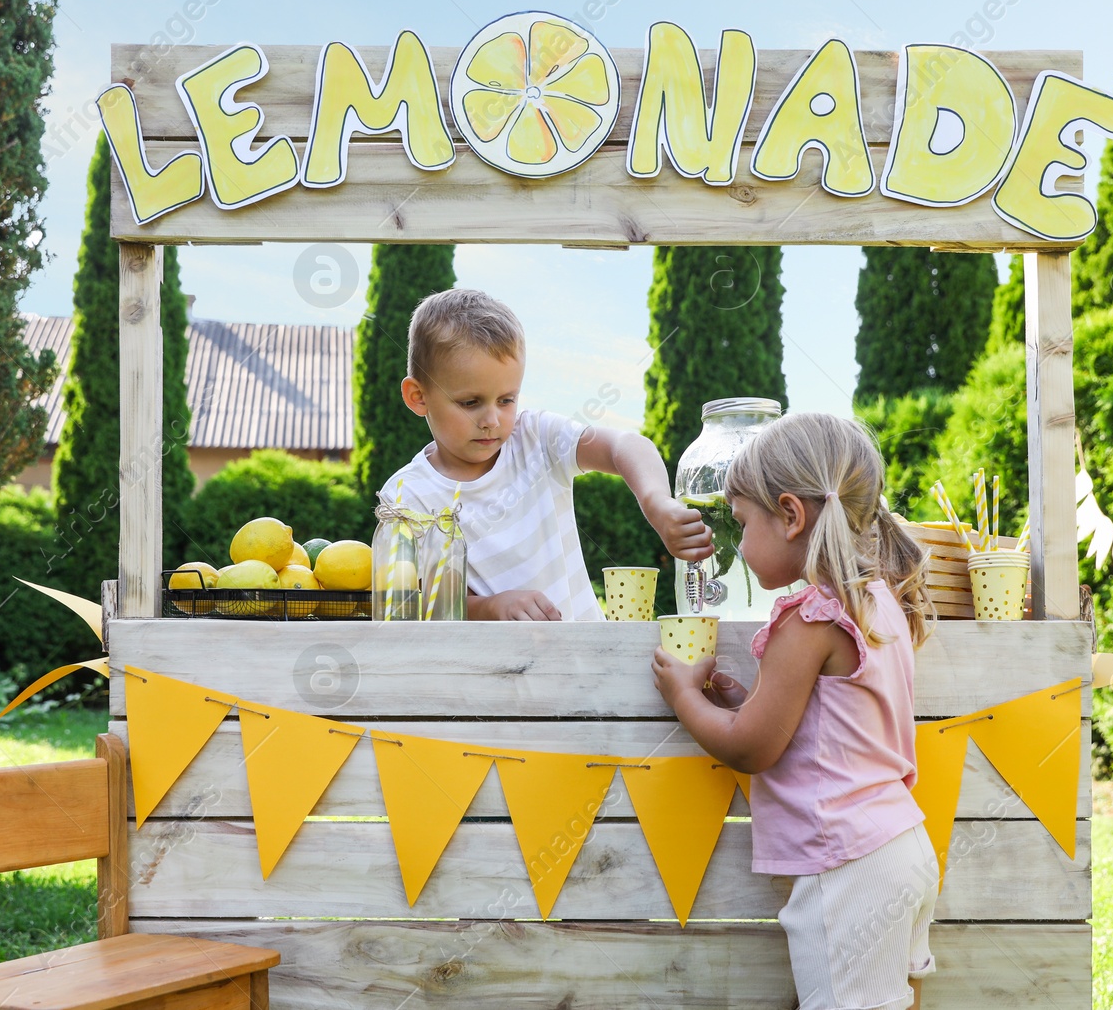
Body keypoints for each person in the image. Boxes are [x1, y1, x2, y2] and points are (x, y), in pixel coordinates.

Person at [652, 412, 937, 1010]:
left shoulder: (808, 618)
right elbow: (831, 719)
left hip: (848, 866)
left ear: (789, 515)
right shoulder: (878, 600)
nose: (740, 541)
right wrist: (745, 700)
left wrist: (684, 697)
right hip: (899, 845)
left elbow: (751, 748)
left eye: (743, 521)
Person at [380, 287, 711, 621]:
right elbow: (418, 602)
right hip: (487, 673)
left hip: (587, 665)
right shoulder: (406, 496)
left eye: (506, 399)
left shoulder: (536, 438)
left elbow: (625, 445)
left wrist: (656, 502)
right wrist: (491, 607)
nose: (492, 420)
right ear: (418, 396)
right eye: (470, 403)